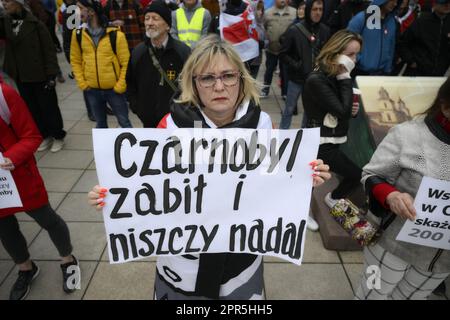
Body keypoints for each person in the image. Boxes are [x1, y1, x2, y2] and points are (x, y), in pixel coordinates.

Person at [88, 34, 331, 300]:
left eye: (228, 76)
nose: (219, 87)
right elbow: (147, 187)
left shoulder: (262, 125)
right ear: (193, 83)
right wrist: (113, 195)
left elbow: (273, 182)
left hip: (240, 263)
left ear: (241, 78)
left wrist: (303, 175)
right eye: (207, 78)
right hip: (182, 266)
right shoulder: (169, 127)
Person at [354, 77, 450, 300]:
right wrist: (391, 195)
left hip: (441, 261)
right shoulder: (408, 134)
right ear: (445, 106)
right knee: (370, 296)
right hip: (390, 246)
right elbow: (371, 175)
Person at [0, 82, 78, 300]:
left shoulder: (4, 94)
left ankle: (68, 259)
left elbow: (31, 136)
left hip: (19, 175)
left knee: (48, 219)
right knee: (5, 229)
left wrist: (11, 157)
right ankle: (25, 267)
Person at [302, 30, 362, 209]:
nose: (354, 60)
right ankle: (309, 210)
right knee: (311, 179)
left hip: (332, 137)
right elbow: (341, 111)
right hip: (321, 140)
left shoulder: (333, 74)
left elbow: (343, 109)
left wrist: (352, 110)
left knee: (312, 179)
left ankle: (328, 200)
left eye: (356, 54)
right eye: (350, 54)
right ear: (336, 53)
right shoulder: (319, 78)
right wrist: (345, 77)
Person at [0, 0, 66, 152]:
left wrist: (51, 75)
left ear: (18, 3)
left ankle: (58, 135)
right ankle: (45, 135)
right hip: (20, 75)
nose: (4, 4)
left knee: (49, 107)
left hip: (40, 74)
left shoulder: (36, 24)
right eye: (3, 1)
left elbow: (49, 51)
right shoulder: (6, 22)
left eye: (8, 1)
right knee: (32, 108)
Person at [126, 0, 190, 128]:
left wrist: (184, 111)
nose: (149, 23)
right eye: (147, 18)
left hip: (175, 121)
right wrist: (138, 108)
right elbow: (130, 83)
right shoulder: (138, 52)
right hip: (148, 122)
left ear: (167, 25)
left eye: (155, 18)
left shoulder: (182, 52)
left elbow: (193, 84)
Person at [70, 0, 133, 129]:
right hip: (92, 90)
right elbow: (75, 60)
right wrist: (82, 83)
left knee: (124, 123)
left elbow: (126, 62)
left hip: (114, 90)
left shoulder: (116, 35)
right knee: (101, 125)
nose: (76, 12)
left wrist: (120, 85)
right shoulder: (77, 34)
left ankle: (131, 149)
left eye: (80, 8)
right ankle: (104, 149)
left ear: (91, 12)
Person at [279, 0, 330, 130]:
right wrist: (297, 65)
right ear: (308, 10)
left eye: (320, 9)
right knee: (289, 109)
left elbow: (328, 54)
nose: (318, 12)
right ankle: (281, 137)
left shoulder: (325, 30)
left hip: (314, 80)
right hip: (296, 79)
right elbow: (283, 54)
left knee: (309, 113)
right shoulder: (294, 30)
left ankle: (303, 139)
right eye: (315, 9)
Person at [398, 0, 450, 76]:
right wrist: (411, 61)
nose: (447, 6)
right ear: (434, 4)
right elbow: (402, 42)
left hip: (439, 74)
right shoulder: (421, 21)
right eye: (444, 3)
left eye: (449, 3)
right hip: (416, 74)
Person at [347, 0, 399, 75]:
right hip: (360, 72)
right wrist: (359, 60)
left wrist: (388, 69)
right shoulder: (362, 18)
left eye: (397, 1)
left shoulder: (392, 21)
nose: (395, 4)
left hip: (382, 74)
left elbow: (391, 46)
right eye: (392, 0)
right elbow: (347, 42)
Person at [261, 0, 296, 98]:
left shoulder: (294, 12)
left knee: (285, 72)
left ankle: (285, 93)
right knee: (269, 70)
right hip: (272, 49)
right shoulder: (268, 13)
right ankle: (265, 89)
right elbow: (264, 27)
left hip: (286, 50)